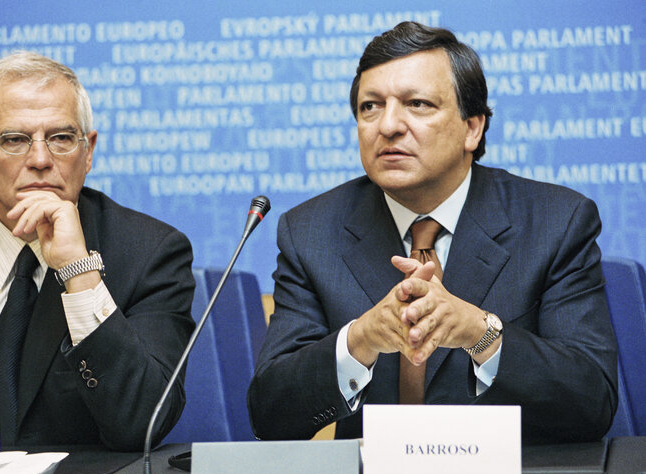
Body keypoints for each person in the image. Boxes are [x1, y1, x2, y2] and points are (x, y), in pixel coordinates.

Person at [247, 21, 617, 444]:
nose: (387, 125)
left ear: (472, 128)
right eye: (370, 106)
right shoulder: (311, 231)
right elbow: (271, 416)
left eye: (417, 104)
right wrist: (360, 340)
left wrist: (481, 334)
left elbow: (592, 401)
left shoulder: (555, 220)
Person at [0, 52, 195, 450]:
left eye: (62, 138)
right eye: (14, 140)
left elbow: (142, 421)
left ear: (88, 151)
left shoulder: (151, 253)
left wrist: (78, 272)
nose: (41, 159)